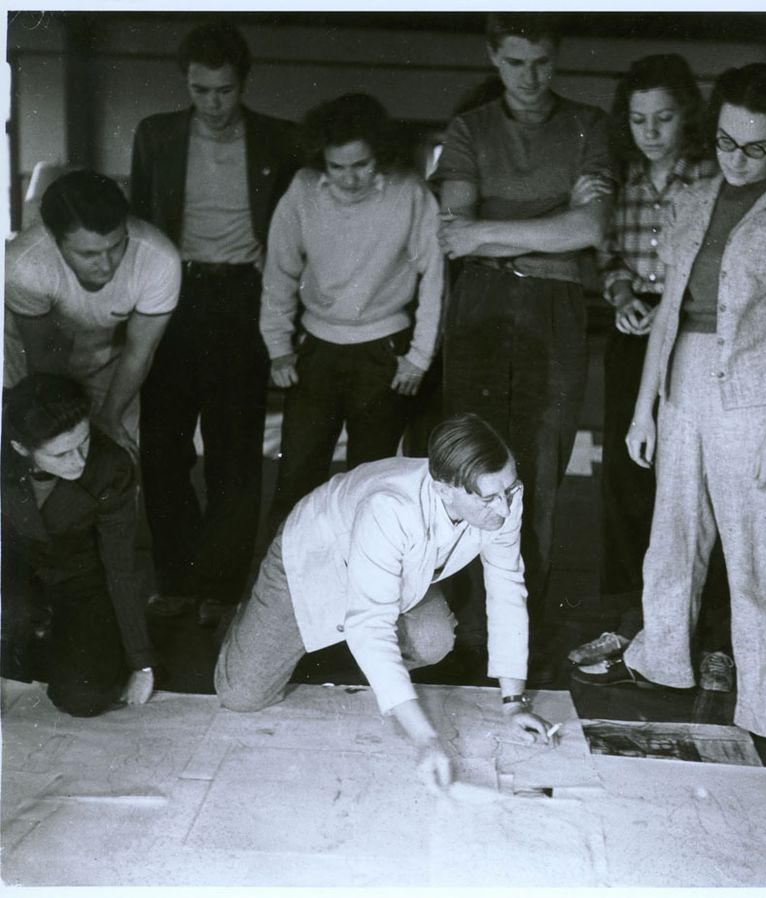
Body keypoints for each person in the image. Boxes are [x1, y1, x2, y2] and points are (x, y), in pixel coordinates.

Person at [586, 64, 766, 792]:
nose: (736, 158)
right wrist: (645, 406)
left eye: (755, 148)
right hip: (682, 383)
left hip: (761, 392)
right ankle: (660, 655)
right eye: (727, 141)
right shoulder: (695, 197)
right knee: (672, 534)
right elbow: (668, 310)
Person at [215, 413, 556, 790]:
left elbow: (507, 586)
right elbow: (371, 624)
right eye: (490, 498)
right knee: (241, 695)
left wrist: (514, 701)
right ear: (445, 489)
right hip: (318, 558)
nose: (505, 509)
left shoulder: (503, 496)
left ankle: (358, 655)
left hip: (397, 573)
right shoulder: (390, 507)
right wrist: (425, 738)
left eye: (509, 490)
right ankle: (251, 618)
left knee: (433, 640)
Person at [432, 12, 614, 677]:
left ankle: (512, 628)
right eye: (514, 62)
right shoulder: (469, 128)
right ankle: (456, 621)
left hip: (554, 307)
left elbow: (591, 228)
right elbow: (455, 234)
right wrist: (548, 224)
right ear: (493, 55)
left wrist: (491, 232)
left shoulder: (588, 124)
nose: (529, 77)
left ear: (557, 56)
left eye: (541, 61)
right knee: (467, 463)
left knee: (535, 470)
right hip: (478, 308)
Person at [566, 54, 733, 692]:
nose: (651, 131)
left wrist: (669, 308)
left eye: (664, 117)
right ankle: (625, 621)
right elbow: (606, 255)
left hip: (696, 343)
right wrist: (622, 294)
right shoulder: (625, 180)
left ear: (687, 115)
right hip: (634, 340)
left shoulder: (713, 176)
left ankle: (709, 637)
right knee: (626, 482)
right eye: (638, 119)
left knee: (700, 492)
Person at [130, 20, 302, 627]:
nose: (212, 103)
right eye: (200, 90)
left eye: (224, 90)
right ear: (187, 84)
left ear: (243, 83)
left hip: (243, 299)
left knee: (234, 452)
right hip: (171, 295)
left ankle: (223, 589)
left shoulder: (281, 141)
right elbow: (139, 227)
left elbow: (293, 234)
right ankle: (177, 581)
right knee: (164, 448)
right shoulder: (156, 135)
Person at [260, 93, 443, 529]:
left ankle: (362, 585)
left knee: (371, 482)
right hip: (316, 350)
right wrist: (278, 346)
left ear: (379, 153)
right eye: (337, 167)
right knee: (297, 477)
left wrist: (419, 356)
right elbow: (280, 270)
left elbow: (435, 276)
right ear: (321, 160)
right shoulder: (303, 189)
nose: (350, 178)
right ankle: (284, 585)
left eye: (360, 165)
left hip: (384, 352)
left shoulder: (410, 192)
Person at [1, 374, 155, 716]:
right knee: (10, 615)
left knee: (84, 697)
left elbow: (120, 565)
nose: (80, 461)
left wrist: (141, 663)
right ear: (21, 448)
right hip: (13, 569)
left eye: (84, 443)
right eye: (61, 454)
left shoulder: (112, 466)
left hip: (80, 577)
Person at [4, 170, 181, 455]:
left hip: (107, 352)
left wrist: (109, 417)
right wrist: (61, 424)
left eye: (115, 246)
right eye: (88, 255)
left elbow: (140, 351)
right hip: (34, 359)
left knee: (114, 450)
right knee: (44, 447)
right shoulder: (23, 264)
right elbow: (46, 355)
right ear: (54, 239)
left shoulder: (160, 259)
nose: (107, 265)